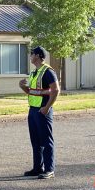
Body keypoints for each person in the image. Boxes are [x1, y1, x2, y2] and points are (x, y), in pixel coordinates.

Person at [19, 46, 60, 179]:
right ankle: (38, 168)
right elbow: (32, 91)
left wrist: (47, 107)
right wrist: (22, 87)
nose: (30, 56)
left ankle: (49, 169)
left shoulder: (47, 71)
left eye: (31, 54)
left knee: (46, 141)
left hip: (43, 110)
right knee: (35, 141)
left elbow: (56, 90)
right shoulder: (34, 73)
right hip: (33, 109)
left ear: (37, 55)